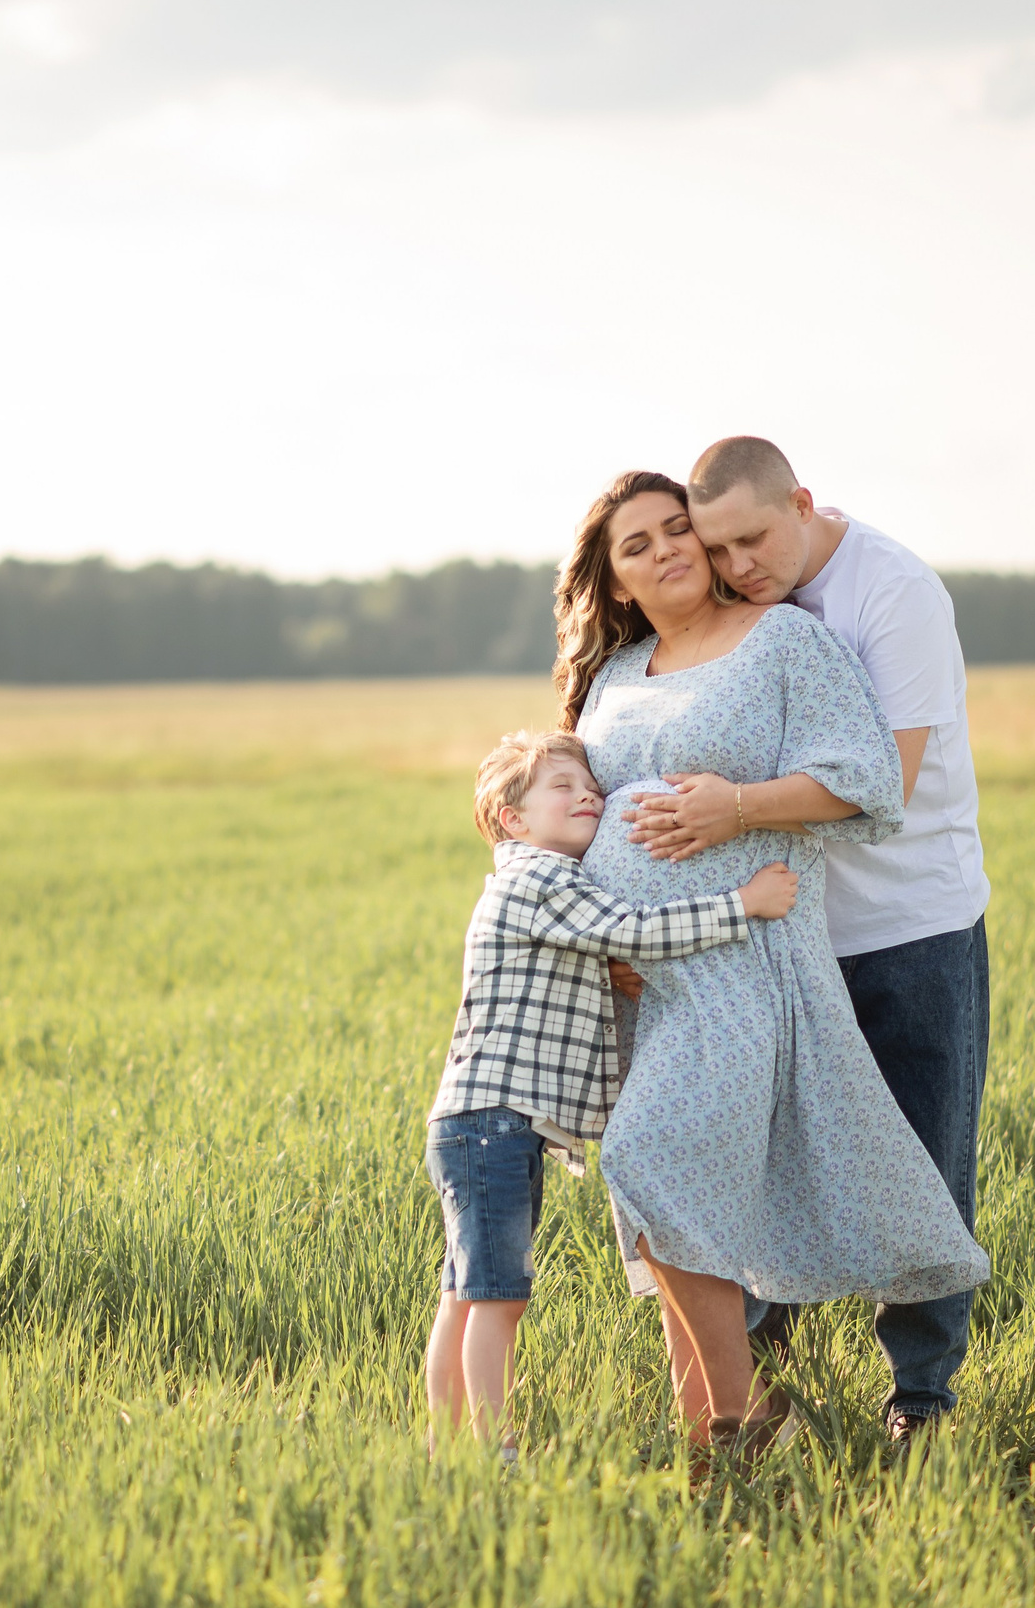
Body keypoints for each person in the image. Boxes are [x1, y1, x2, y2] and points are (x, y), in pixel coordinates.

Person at [557, 469, 989, 1475]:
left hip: (749, 961)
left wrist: (737, 807)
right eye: (637, 544)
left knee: (652, 1157)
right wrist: (597, 932)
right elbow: (580, 809)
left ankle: (856, 1402)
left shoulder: (787, 640)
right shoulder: (614, 673)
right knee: (676, 1184)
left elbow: (870, 780)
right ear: (612, 580)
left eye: (678, 529)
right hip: (649, 978)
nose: (669, 549)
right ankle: (716, 1428)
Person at [424, 728, 799, 1457]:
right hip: (495, 1124)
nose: (588, 796)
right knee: (497, 1298)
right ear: (512, 818)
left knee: (465, 1294)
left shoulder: (523, 883)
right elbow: (632, 928)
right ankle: (492, 1451)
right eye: (562, 787)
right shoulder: (542, 880)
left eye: (591, 786)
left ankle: (447, 1450)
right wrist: (745, 903)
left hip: (474, 1122)